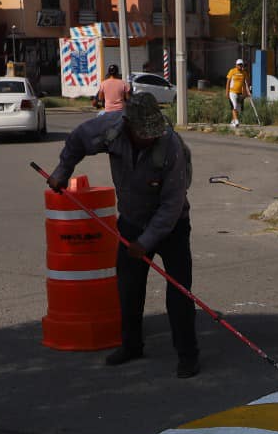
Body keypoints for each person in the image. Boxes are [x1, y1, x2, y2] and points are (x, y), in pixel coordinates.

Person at [47, 92, 200, 378]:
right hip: (131, 220)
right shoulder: (111, 129)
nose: (148, 137)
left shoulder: (170, 146)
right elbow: (78, 139)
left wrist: (145, 242)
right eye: (143, 133)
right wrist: (63, 170)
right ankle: (131, 345)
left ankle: (188, 355)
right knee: (129, 287)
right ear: (129, 125)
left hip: (172, 225)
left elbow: (172, 204)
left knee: (179, 291)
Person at [225, 58, 249, 127]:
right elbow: (228, 82)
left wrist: (245, 93)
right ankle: (236, 121)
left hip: (240, 93)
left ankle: (233, 121)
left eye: (241, 65)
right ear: (236, 65)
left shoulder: (244, 73)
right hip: (232, 92)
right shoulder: (232, 71)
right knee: (234, 106)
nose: (240, 66)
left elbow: (245, 83)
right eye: (239, 65)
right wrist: (227, 92)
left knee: (239, 109)